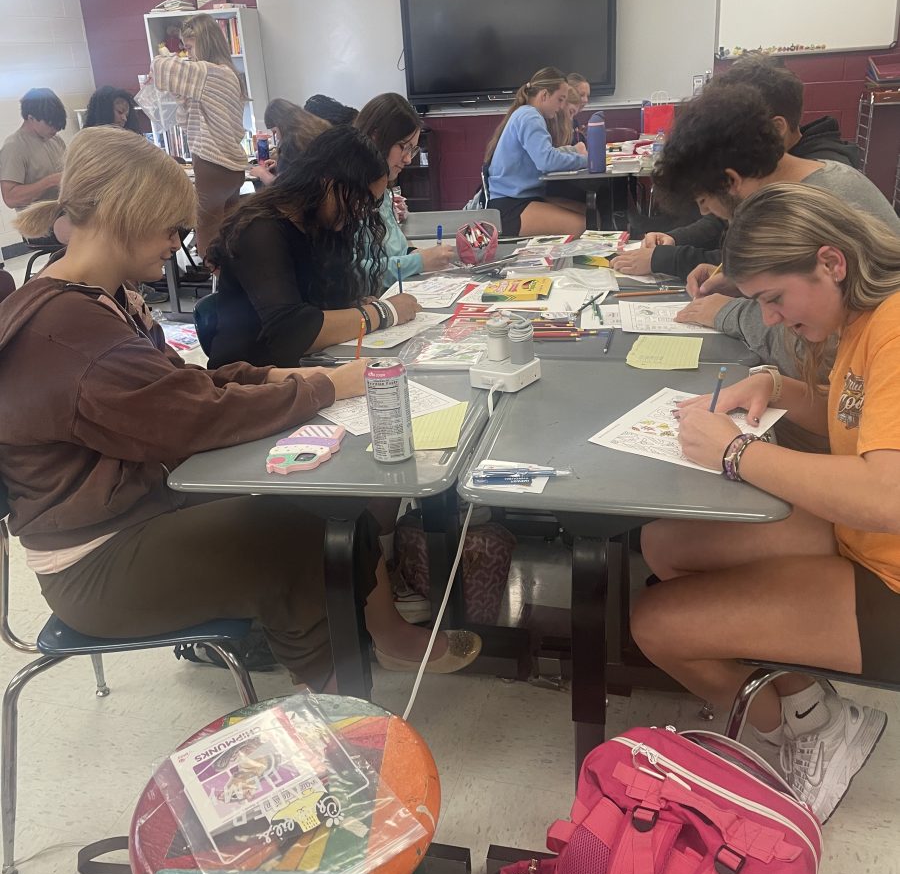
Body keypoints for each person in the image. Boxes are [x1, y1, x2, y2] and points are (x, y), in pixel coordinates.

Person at [3, 126, 479, 679]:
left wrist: (271, 376)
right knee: (304, 542)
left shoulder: (101, 301)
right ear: (124, 214)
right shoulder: (67, 331)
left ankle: (357, 645)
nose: (178, 243)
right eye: (171, 227)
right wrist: (325, 387)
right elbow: (193, 419)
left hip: (141, 510)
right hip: (95, 561)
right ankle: (335, 713)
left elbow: (178, 385)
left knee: (332, 514)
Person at [632, 183, 897, 823]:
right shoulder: (865, 317)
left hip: (888, 570)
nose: (771, 319)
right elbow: (853, 416)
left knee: (657, 625)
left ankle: (810, 731)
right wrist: (772, 382)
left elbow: (888, 496)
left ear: (831, 262)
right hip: (856, 533)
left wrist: (735, 454)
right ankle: (809, 702)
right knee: (665, 544)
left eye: (775, 300)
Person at [612, 84, 900, 373]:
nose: (705, 212)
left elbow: (823, 354)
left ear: (731, 181)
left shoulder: (820, 204)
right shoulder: (808, 182)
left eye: (704, 200)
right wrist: (743, 282)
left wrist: (728, 312)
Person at [616, 57, 861, 282]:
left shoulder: (811, 199)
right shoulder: (782, 183)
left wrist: (726, 309)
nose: (704, 210)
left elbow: (787, 298)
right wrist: (729, 277)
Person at [206, 125, 422, 370]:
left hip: (303, 369)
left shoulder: (323, 225)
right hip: (250, 381)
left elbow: (321, 304)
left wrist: (353, 307)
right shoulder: (260, 230)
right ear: (328, 184)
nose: (362, 212)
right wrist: (384, 312)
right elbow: (292, 331)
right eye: (360, 200)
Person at [151, 13, 248, 256]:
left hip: (212, 164)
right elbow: (187, 117)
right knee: (228, 237)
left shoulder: (209, 72)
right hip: (231, 167)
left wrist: (169, 53)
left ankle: (218, 284)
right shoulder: (229, 74)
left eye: (190, 47)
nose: (187, 54)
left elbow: (160, 66)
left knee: (208, 238)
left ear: (203, 42)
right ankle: (229, 286)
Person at [354, 93, 455, 286]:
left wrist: (416, 255)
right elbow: (356, 275)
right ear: (375, 137)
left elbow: (395, 250)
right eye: (404, 147)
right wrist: (418, 262)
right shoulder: (349, 196)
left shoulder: (382, 189)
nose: (408, 159)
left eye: (413, 150)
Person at [483, 67, 588, 236]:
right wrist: (588, 161)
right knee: (582, 224)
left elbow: (546, 153)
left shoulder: (526, 114)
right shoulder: (530, 116)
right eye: (560, 99)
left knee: (586, 210)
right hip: (511, 206)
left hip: (521, 198)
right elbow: (547, 161)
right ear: (544, 95)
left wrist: (573, 150)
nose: (561, 107)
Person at [0, 87, 66, 213]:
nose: (55, 129)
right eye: (50, 123)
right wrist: (50, 181)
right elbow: (10, 198)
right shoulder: (14, 147)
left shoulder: (56, 140)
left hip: (63, 217)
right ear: (30, 118)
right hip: (38, 228)